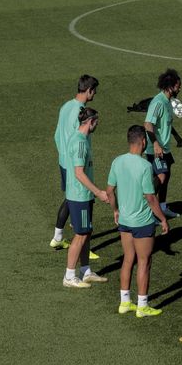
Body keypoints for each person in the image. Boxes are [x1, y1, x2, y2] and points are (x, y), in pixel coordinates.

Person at [107, 125, 170, 317]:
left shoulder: (117, 162)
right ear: (143, 141)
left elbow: (110, 191)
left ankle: (125, 302)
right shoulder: (144, 166)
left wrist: (115, 210)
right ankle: (143, 305)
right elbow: (150, 198)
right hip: (142, 222)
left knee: (128, 259)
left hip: (125, 221)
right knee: (144, 262)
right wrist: (163, 218)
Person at [51, 74, 100, 261]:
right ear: (88, 90)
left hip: (64, 160)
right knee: (80, 200)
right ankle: (83, 247)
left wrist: (64, 155)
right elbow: (77, 138)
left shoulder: (65, 106)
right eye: (94, 91)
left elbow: (57, 135)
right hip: (75, 163)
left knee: (70, 199)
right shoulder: (82, 112)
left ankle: (57, 236)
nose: (94, 94)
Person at [63, 107, 110, 289]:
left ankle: (85, 271)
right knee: (80, 234)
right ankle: (69, 275)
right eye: (96, 121)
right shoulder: (80, 143)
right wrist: (98, 192)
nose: (97, 124)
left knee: (87, 232)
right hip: (79, 195)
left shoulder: (80, 138)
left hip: (83, 195)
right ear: (90, 122)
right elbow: (79, 173)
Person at [144, 68, 182, 219]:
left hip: (164, 148)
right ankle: (149, 210)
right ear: (170, 86)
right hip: (155, 149)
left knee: (166, 176)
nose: (180, 88)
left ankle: (162, 207)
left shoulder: (167, 102)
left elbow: (166, 123)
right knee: (161, 176)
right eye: (178, 85)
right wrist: (155, 144)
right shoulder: (158, 103)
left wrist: (177, 137)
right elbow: (148, 124)